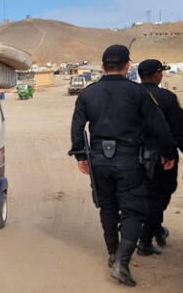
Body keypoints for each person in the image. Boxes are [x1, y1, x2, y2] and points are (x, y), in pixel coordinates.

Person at [70, 45, 176, 287]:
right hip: (129, 161)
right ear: (128, 65)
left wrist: (80, 156)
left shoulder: (87, 93)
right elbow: (158, 126)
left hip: (98, 160)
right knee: (133, 211)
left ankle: (112, 254)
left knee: (107, 208)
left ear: (103, 65)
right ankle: (121, 262)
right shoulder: (138, 93)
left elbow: (77, 128)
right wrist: (168, 152)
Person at [136, 59, 183, 255]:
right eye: (160, 72)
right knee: (159, 196)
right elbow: (179, 129)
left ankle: (155, 228)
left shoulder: (129, 95)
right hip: (161, 157)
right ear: (157, 74)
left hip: (131, 157)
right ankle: (145, 241)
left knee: (144, 196)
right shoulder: (166, 97)